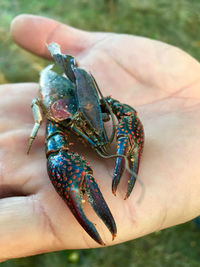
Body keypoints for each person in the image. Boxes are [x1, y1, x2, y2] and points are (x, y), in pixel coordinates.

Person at [0, 14, 200, 262]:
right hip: (52, 91)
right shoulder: (56, 122)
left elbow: (125, 113)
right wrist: (37, 128)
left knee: (119, 115)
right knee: (57, 151)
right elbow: (56, 152)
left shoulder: (93, 105)